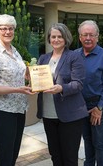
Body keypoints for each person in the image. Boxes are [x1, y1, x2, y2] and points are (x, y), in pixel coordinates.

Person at [0, 14, 34, 166]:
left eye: (11, 28)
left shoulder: (15, 51)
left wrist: (30, 74)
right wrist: (17, 90)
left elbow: (19, 74)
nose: (7, 32)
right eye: (3, 28)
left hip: (19, 109)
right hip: (2, 112)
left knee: (13, 154)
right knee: (5, 156)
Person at [37, 23, 89, 166]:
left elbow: (78, 84)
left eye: (60, 36)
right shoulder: (43, 58)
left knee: (70, 157)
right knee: (55, 155)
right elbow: (38, 81)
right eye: (53, 36)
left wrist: (62, 88)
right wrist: (31, 80)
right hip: (48, 114)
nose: (56, 39)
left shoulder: (74, 57)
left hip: (70, 114)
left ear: (66, 38)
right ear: (49, 39)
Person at [75, 20, 103, 166]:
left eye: (91, 35)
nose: (88, 38)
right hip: (80, 105)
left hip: (99, 104)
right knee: (87, 139)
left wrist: (99, 108)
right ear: (79, 37)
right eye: (84, 35)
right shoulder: (74, 55)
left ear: (97, 37)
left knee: (99, 142)